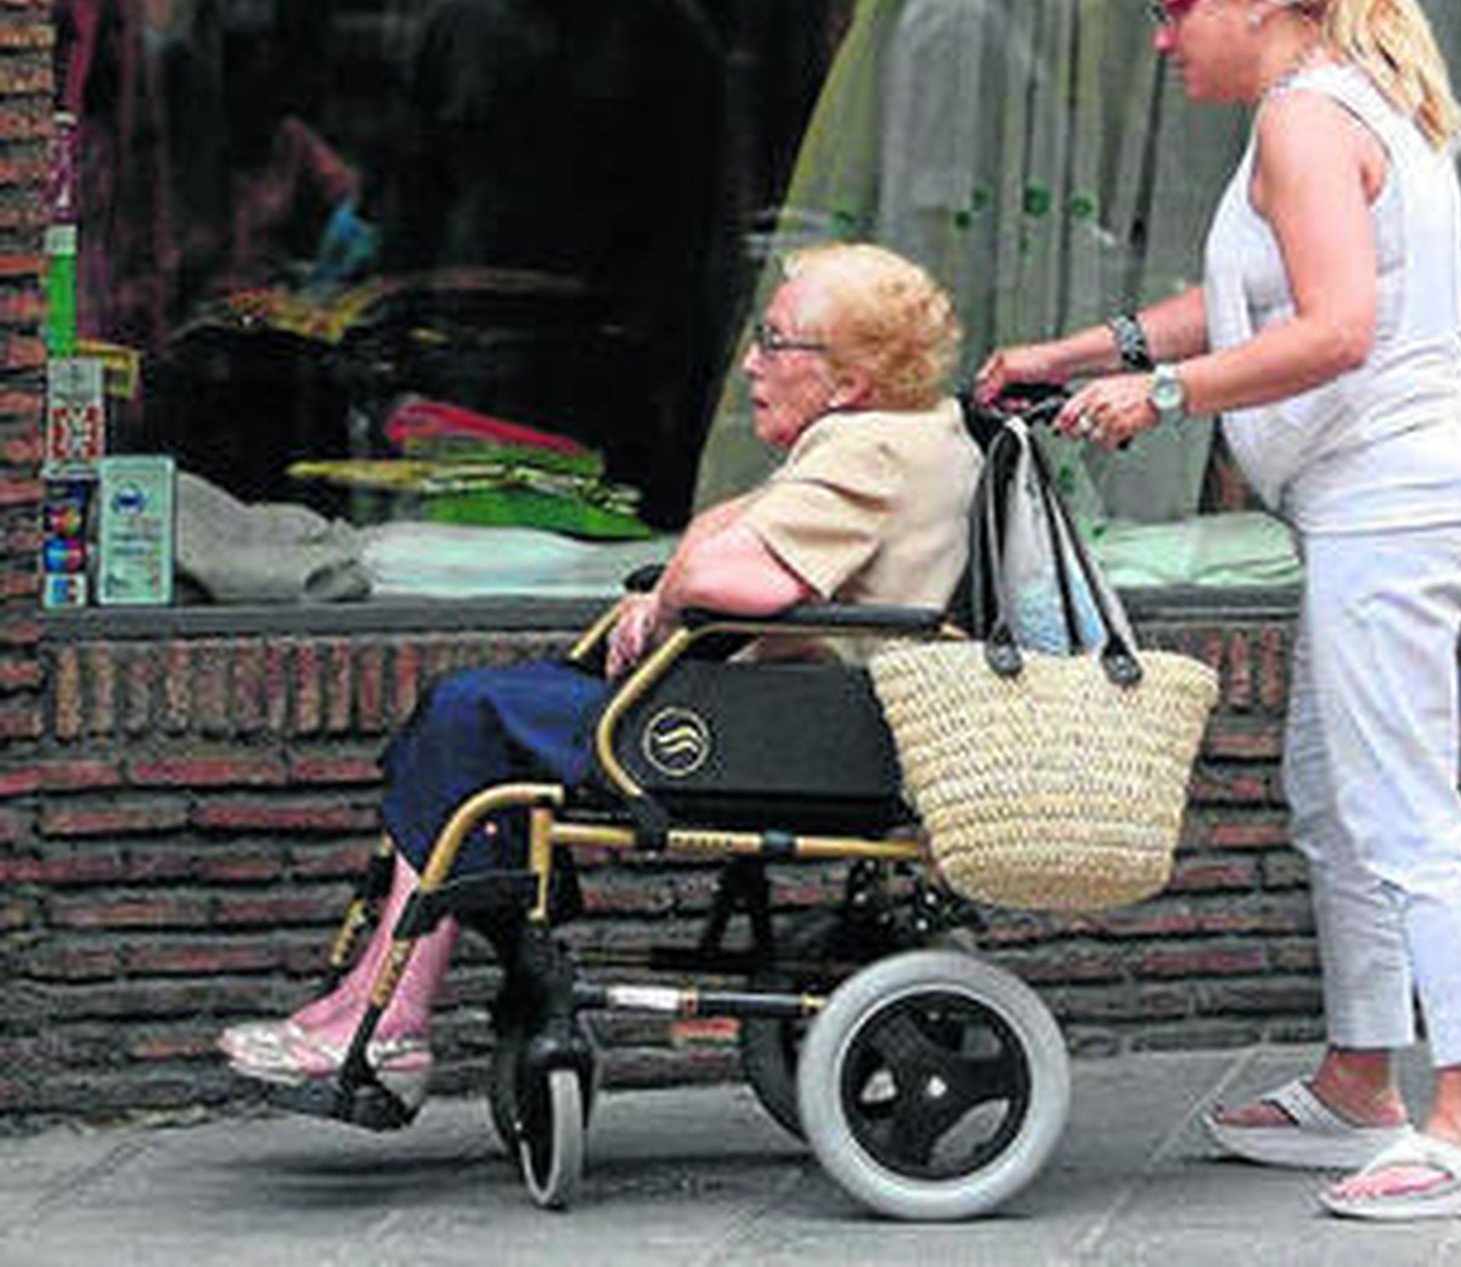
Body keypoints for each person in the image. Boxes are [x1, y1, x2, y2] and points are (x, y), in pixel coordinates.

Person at [976, 0, 1461, 1223]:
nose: (1162, 41)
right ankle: (1357, 1079)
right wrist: (1071, 355)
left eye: (1173, 10)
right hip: (1381, 497)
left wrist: (1166, 399)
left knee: (1397, 799)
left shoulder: (1305, 114)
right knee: (1336, 792)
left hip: (1390, 499)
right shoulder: (1338, 100)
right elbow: (1246, 298)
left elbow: (1334, 328)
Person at [220, 241, 982, 1108]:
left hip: (783, 733)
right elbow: (746, 552)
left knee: (469, 714)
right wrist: (698, 559)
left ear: (847, 379)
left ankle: (389, 1018)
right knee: (473, 722)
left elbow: (742, 583)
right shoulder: (910, 434)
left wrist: (666, 591)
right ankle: (379, 1006)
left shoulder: (864, 450)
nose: (749, 362)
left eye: (774, 342)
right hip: (798, 714)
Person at [379, 0, 733, 525]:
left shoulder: (664, 30)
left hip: (609, 365)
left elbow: (699, 219)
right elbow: (410, 200)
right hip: (473, 360)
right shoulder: (457, 23)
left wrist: (682, 362)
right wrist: (399, 345)